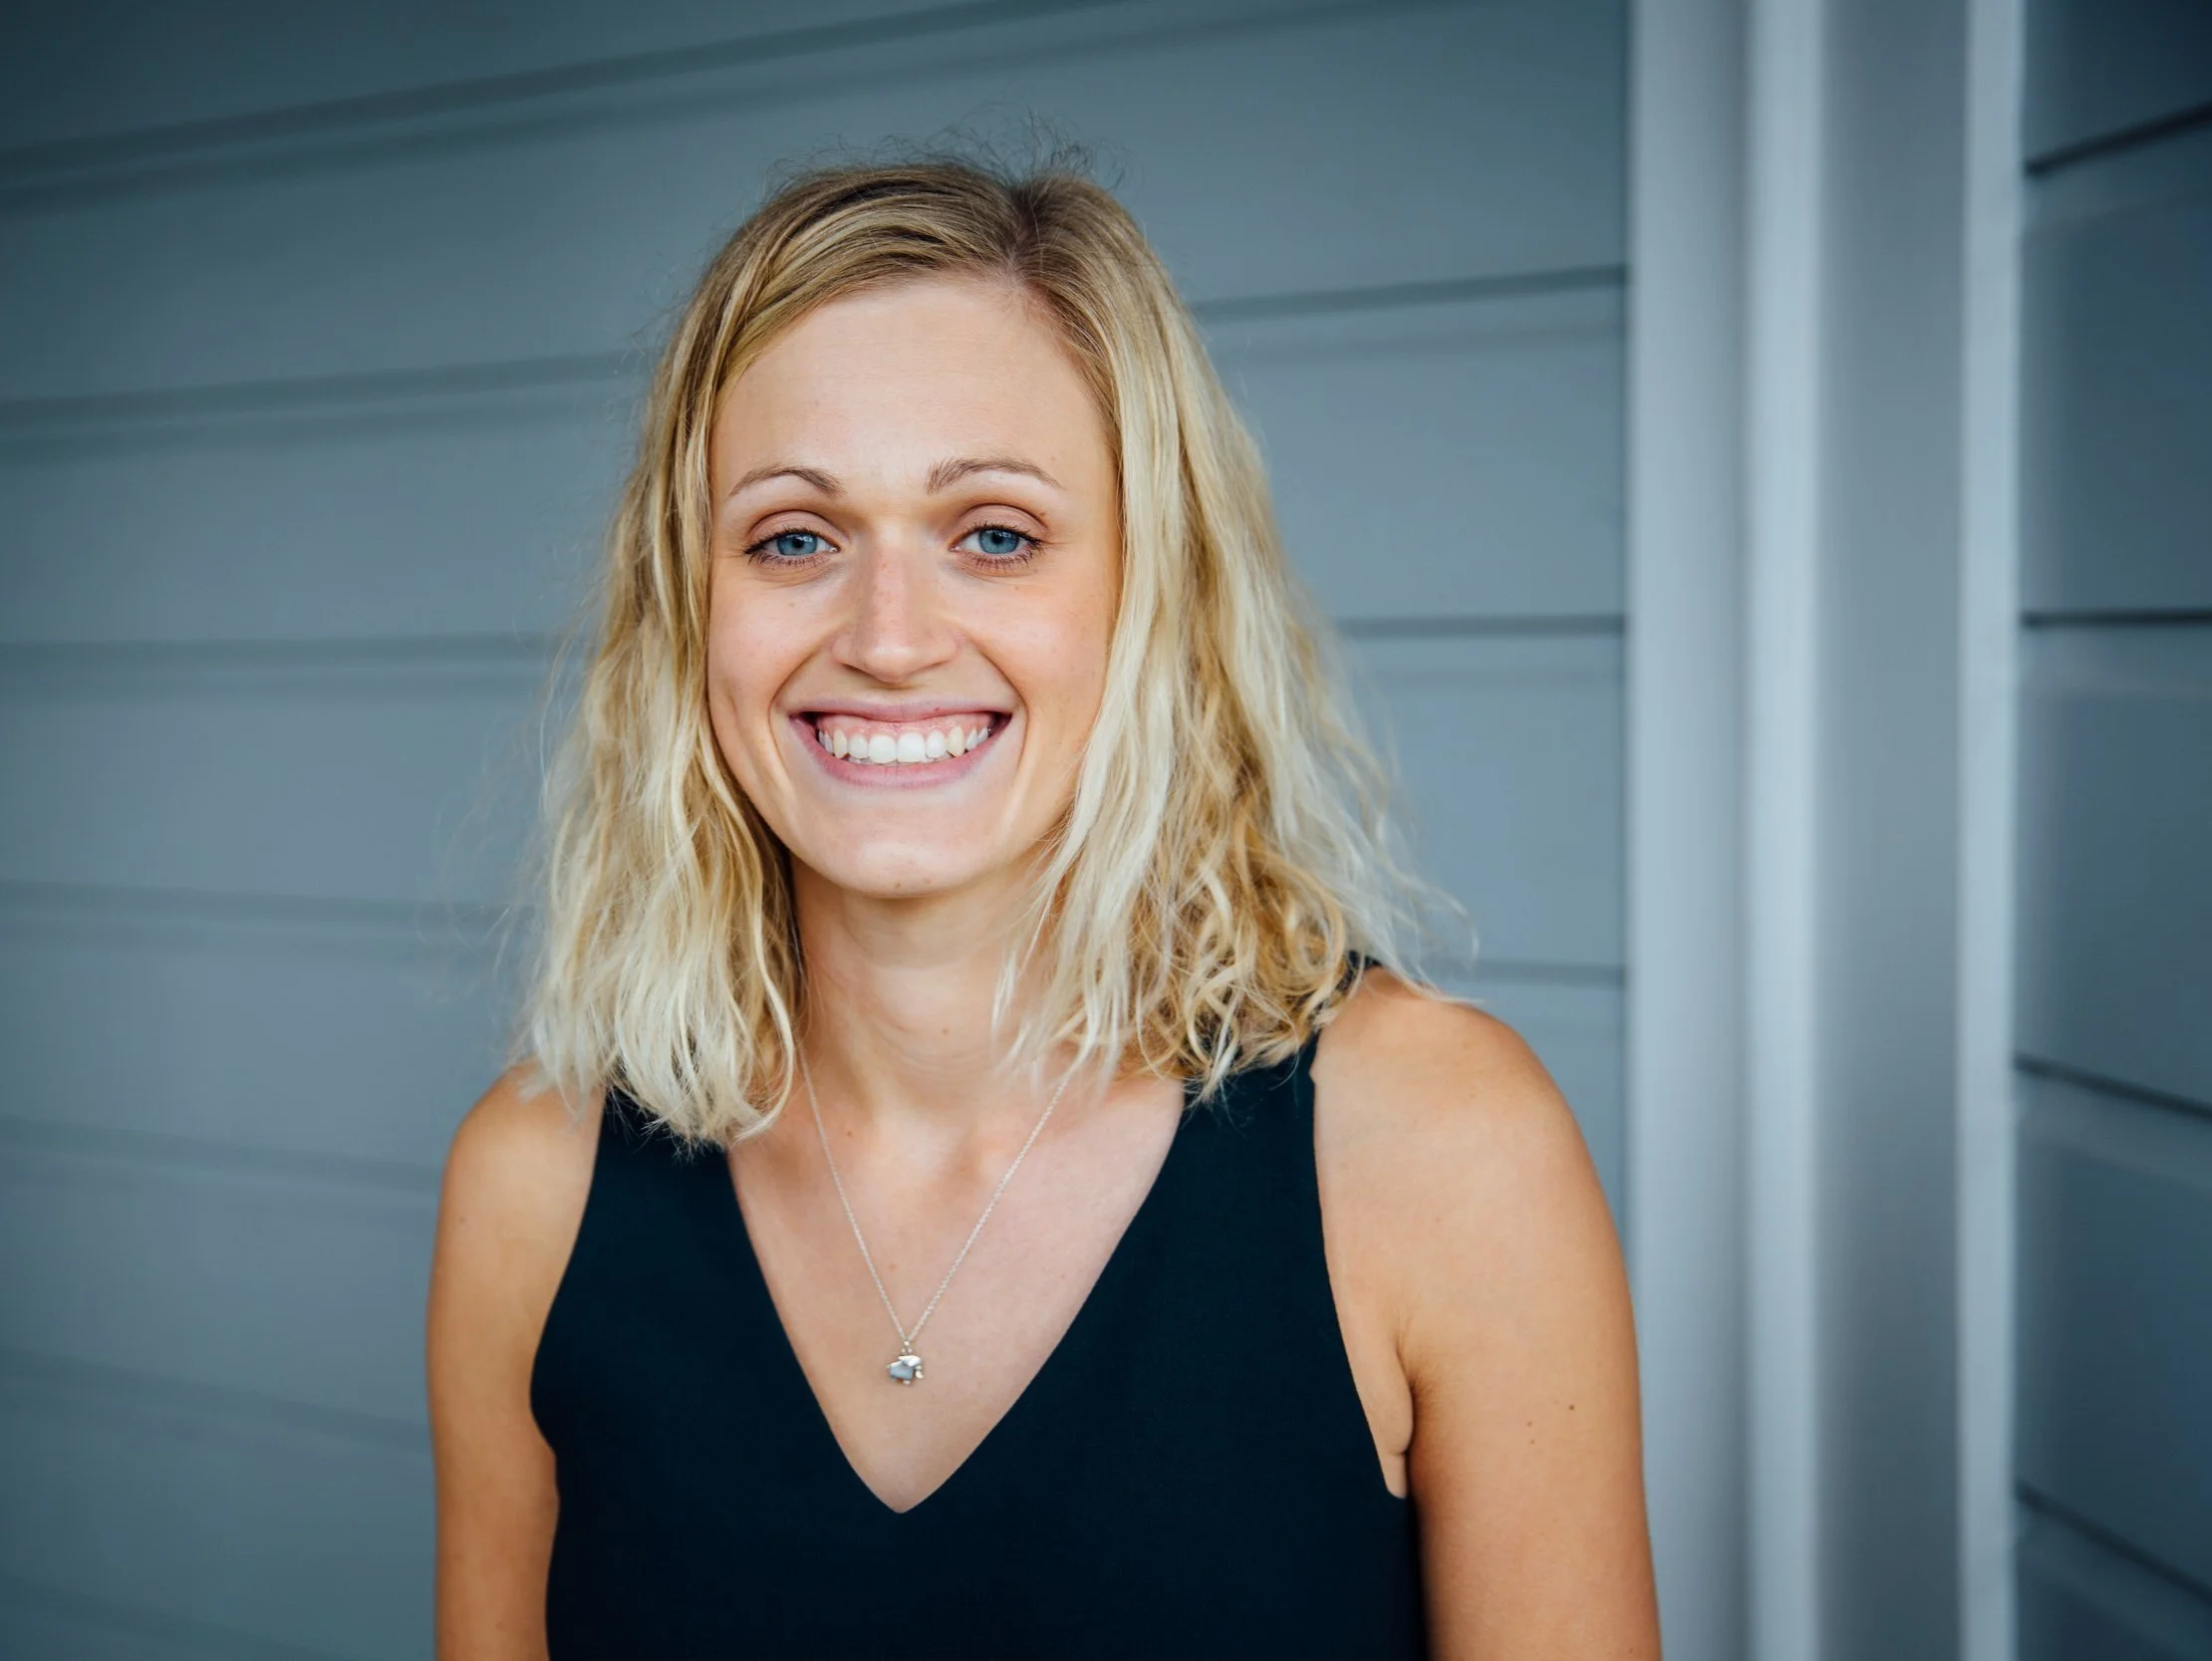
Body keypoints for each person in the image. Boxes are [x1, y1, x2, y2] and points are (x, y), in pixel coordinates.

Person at [425, 156, 1659, 1659]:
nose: (886, 637)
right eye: (793, 537)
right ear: (692, 610)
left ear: (1154, 594)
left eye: (994, 533)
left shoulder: (1441, 1155)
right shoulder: (532, 1188)